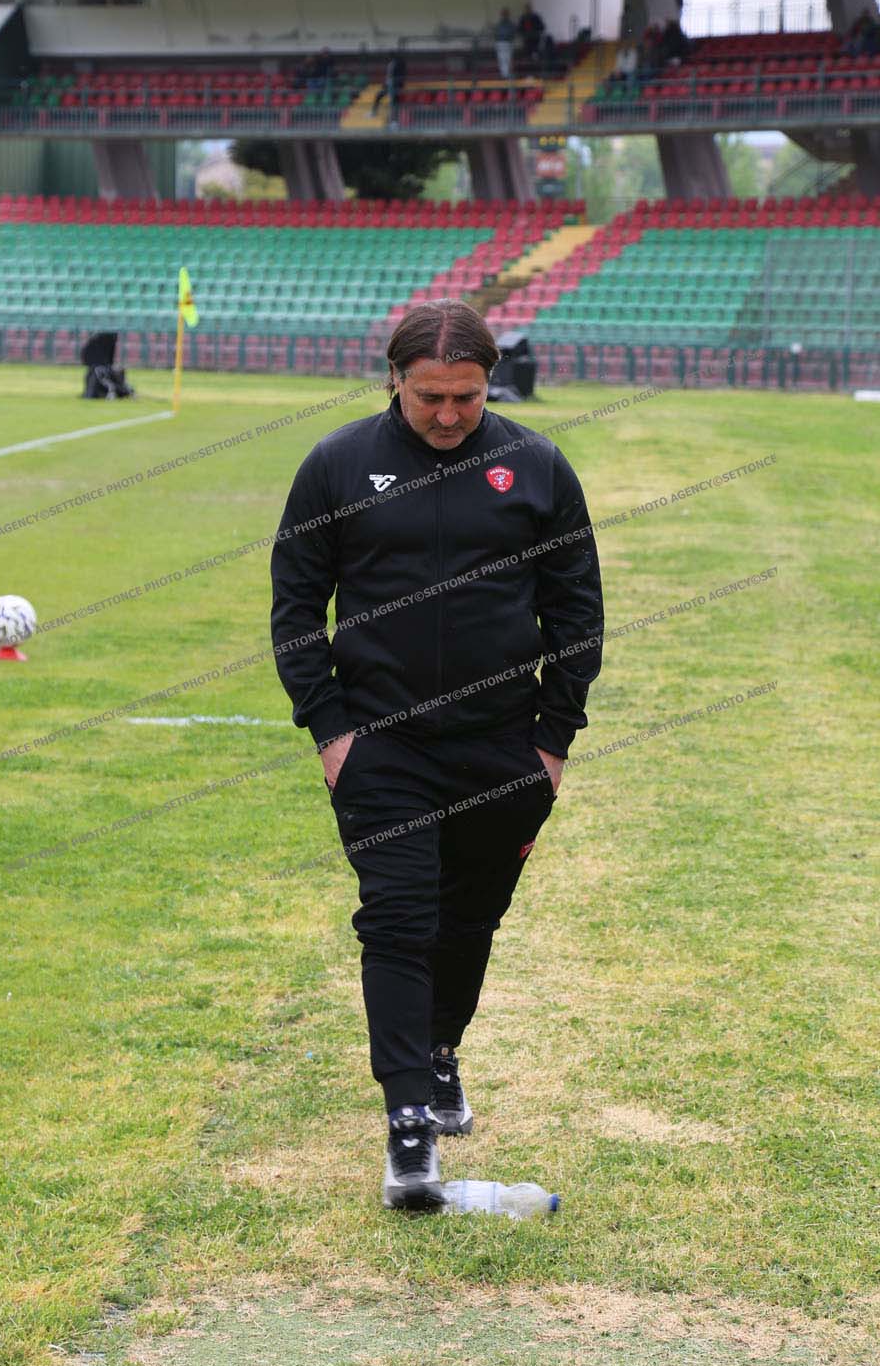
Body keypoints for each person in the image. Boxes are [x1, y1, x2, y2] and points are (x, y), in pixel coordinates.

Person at [270, 299, 604, 1210]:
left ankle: (441, 1051)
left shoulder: (537, 466)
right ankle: (408, 1124)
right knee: (399, 920)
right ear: (395, 379)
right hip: (381, 746)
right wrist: (331, 731)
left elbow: (577, 612)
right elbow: (296, 607)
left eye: (467, 397)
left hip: (504, 747)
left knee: (469, 921)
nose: (450, 414)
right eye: (430, 398)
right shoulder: (338, 465)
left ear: (489, 383)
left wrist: (552, 740)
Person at [372, 51, 406, 123]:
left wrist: (399, 84)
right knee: (379, 96)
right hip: (389, 84)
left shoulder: (399, 63)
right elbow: (389, 75)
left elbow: (400, 74)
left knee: (394, 102)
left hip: (395, 85)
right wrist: (385, 83)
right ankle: (374, 112)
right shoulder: (390, 64)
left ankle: (394, 119)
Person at [494, 8, 517, 80]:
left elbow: (513, 33)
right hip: (501, 43)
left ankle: (507, 75)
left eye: (505, 14)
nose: (504, 15)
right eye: (503, 14)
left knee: (507, 60)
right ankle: (504, 75)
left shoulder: (510, 24)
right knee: (503, 60)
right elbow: (496, 34)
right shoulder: (499, 24)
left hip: (507, 43)